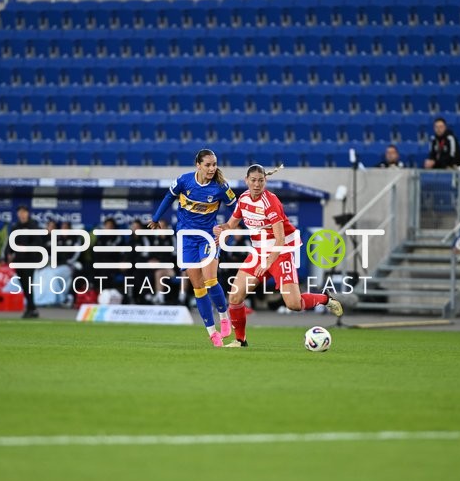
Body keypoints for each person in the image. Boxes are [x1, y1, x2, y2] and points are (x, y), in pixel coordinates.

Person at [213, 164, 343, 348]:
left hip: (280, 253)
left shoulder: (271, 202)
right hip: (259, 253)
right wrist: (220, 230)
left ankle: (325, 299)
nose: (257, 184)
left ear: (265, 181)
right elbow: (231, 224)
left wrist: (268, 263)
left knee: (294, 304)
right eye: (253, 180)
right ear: (246, 181)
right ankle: (240, 341)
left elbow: (280, 239)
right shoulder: (242, 199)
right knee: (234, 297)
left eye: (260, 180)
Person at [147, 149, 237, 347]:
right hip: (186, 239)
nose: (212, 168)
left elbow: (236, 208)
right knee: (197, 286)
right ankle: (212, 332)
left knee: (211, 279)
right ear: (198, 164)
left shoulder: (221, 186)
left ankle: (224, 317)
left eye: (214, 164)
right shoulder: (184, 181)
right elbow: (168, 197)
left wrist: (231, 227)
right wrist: (155, 218)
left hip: (208, 237)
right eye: (208, 164)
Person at [5, 205, 44, 318]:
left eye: (24, 212)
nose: (22, 214)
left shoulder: (33, 226)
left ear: (28, 213)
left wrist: (24, 248)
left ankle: (31, 308)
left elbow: (38, 243)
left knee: (28, 284)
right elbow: (10, 242)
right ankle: (32, 308)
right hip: (18, 260)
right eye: (20, 212)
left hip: (30, 260)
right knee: (23, 284)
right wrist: (8, 254)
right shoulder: (15, 227)